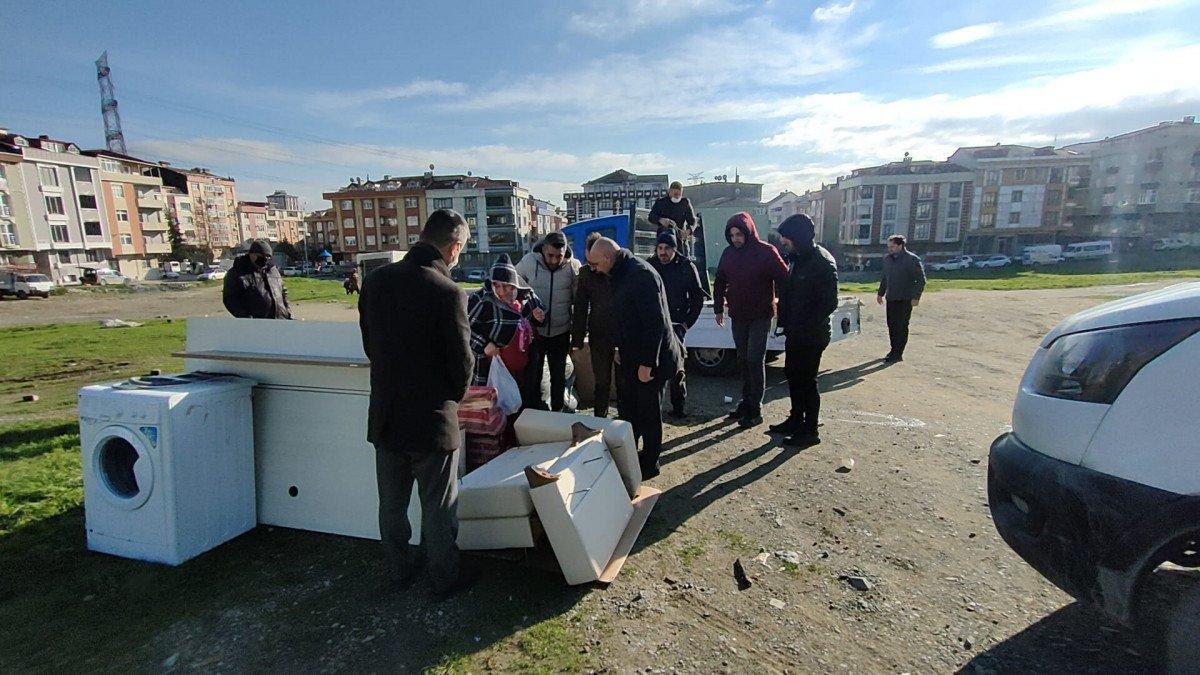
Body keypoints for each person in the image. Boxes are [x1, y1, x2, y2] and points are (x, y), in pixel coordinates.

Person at [358, 209, 475, 599]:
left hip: (387, 414)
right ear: (453, 247)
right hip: (431, 418)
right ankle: (444, 577)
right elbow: (462, 365)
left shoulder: (376, 281)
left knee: (391, 505)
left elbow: (370, 344)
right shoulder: (448, 292)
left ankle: (398, 570)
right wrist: (451, 398)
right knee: (439, 507)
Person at [586, 237, 683, 480]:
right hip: (632, 354)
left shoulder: (640, 275)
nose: (593, 269)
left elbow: (655, 323)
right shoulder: (620, 273)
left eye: (595, 264)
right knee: (629, 410)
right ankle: (630, 456)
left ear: (607, 257)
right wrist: (621, 347)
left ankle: (650, 463)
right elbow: (625, 316)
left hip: (652, 359)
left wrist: (648, 363)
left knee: (649, 413)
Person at [712, 212, 789, 428]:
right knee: (742, 360)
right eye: (732, 235)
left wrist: (784, 308)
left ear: (748, 232)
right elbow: (720, 281)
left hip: (760, 315)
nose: (736, 239)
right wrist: (718, 309)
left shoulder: (766, 252)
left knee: (755, 360)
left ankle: (755, 409)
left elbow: (784, 278)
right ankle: (746, 402)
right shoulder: (728, 253)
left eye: (739, 234)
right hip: (738, 314)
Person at [771, 214, 839, 446]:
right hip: (796, 332)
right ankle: (796, 419)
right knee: (792, 374)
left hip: (812, 335)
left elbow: (829, 303)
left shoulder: (822, 262)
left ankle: (810, 430)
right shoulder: (797, 258)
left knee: (806, 381)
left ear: (798, 237)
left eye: (786, 237)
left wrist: (803, 324)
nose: (783, 242)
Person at [515, 231, 581, 411]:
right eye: (550, 255)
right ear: (543, 249)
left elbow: (579, 300)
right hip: (535, 332)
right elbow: (514, 287)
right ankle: (534, 412)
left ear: (565, 251)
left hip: (561, 331)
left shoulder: (573, 267)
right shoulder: (529, 262)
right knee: (533, 374)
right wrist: (528, 307)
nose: (554, 260)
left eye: (559, 256)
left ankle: (557, 412)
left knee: (558, 376)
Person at [647, 229, 705, 418]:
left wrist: (687, 323)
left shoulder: (686, 266)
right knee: (652, 365)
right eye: (660, 248)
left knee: (676, 367)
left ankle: (678, 406)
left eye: (667, 248)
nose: (663, 252)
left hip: (677, 323)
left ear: (674, 249)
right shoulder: (650, 265)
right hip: (655, 322)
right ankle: (653, 407)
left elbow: (697, 297)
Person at [466, 254, 545, 387]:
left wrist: (539, 317)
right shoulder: (481, 299)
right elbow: (463, 329)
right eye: (496, 285)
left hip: (523, 370)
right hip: (491, 370)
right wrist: (484, 345)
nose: (501, 291)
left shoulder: (526, 296)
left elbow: (540, 320)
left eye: (506, 286)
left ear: (514, 284)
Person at [571, 232, 619, 418]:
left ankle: (625, 420)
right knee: (601, 381)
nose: (592, 267)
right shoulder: (585, 274)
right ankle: (600, 418)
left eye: (594, 263)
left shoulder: (617, 270)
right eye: (588, 262)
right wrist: (577, 339)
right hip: (598, 333)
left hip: (621, 333)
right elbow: (580, 308)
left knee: (623, 380)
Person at [876, 234, 926, 363]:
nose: (890, 249)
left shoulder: (912, 259)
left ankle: (898, 353)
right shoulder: (887, 259)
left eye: (892, 246)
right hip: (891, 297)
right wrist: (880, 293)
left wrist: (916, 297)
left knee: (901, 326)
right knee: (892, 325)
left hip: (905, 298)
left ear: (900, 246)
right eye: (888, 247)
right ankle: (893, 350)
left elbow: (921, 280)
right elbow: (885, 277)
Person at [222, 240, 292, 319]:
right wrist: (247, 318)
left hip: (281, 319)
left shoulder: (272, 270)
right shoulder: (237, 273)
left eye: (268, 256)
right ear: (252, 254)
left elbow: (283, 291)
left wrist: (287, 311)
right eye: (262, 255)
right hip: (258, 322)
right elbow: (230, 300)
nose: (266, 258)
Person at [649, 180, 697, 256]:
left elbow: (693, 221)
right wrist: (660, 220)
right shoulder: (661, 202)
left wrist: (688, 231)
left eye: (679, 195)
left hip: (680, 240)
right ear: (669, 191)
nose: (677, 197)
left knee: (684, 261)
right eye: (675, 194)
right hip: (664, 240)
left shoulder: (685, 203)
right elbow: (651, 217)